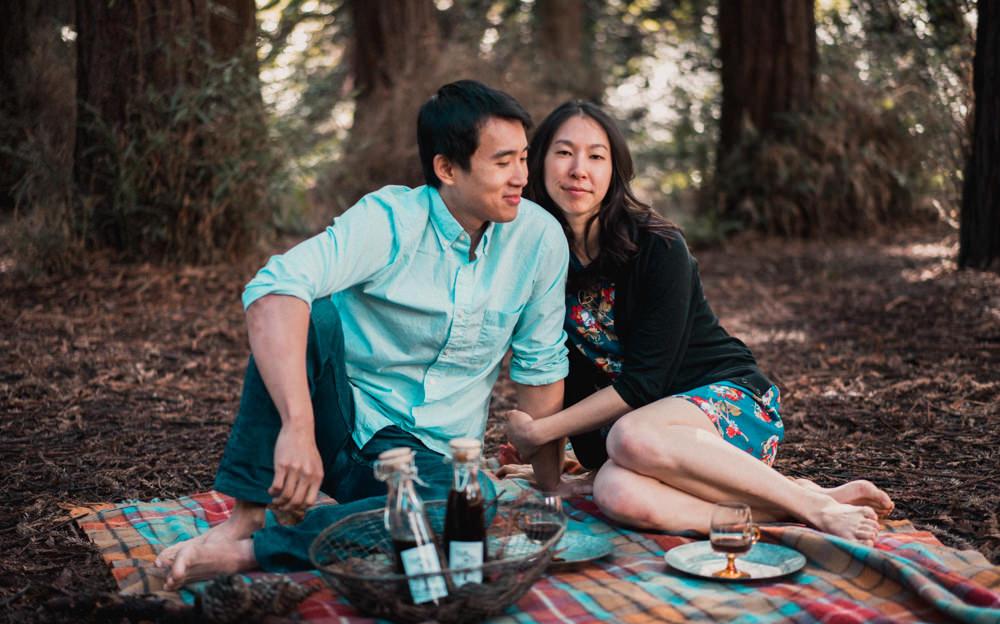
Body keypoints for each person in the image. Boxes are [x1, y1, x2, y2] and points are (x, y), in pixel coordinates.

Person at [154, 81, 569, 590]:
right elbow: (272, 288)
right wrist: (298, 427)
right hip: (338, 422)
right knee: (312, 311)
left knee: (465, 509)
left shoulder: (539, 238)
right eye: (503, 161)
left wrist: (552, 493)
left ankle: (252, 553)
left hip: (423, 460)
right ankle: (246, 517)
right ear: (447, 168)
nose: (522, 177)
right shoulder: (390, 219)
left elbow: (540, 365)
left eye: (525, 158)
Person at [503, 101, 893, 544]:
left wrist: (539, 433)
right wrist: (552, 481)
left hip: (726, 406)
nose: (579, 170)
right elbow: (548, 364)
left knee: (630, 438)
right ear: (538, 162)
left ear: (616, 170)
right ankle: (795, 502)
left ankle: (815, 508)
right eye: (563, 152)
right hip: (649, 443)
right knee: (614, 492)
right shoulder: (538, 255)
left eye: (596, 156)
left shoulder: (657, 245)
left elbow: (645, 383)